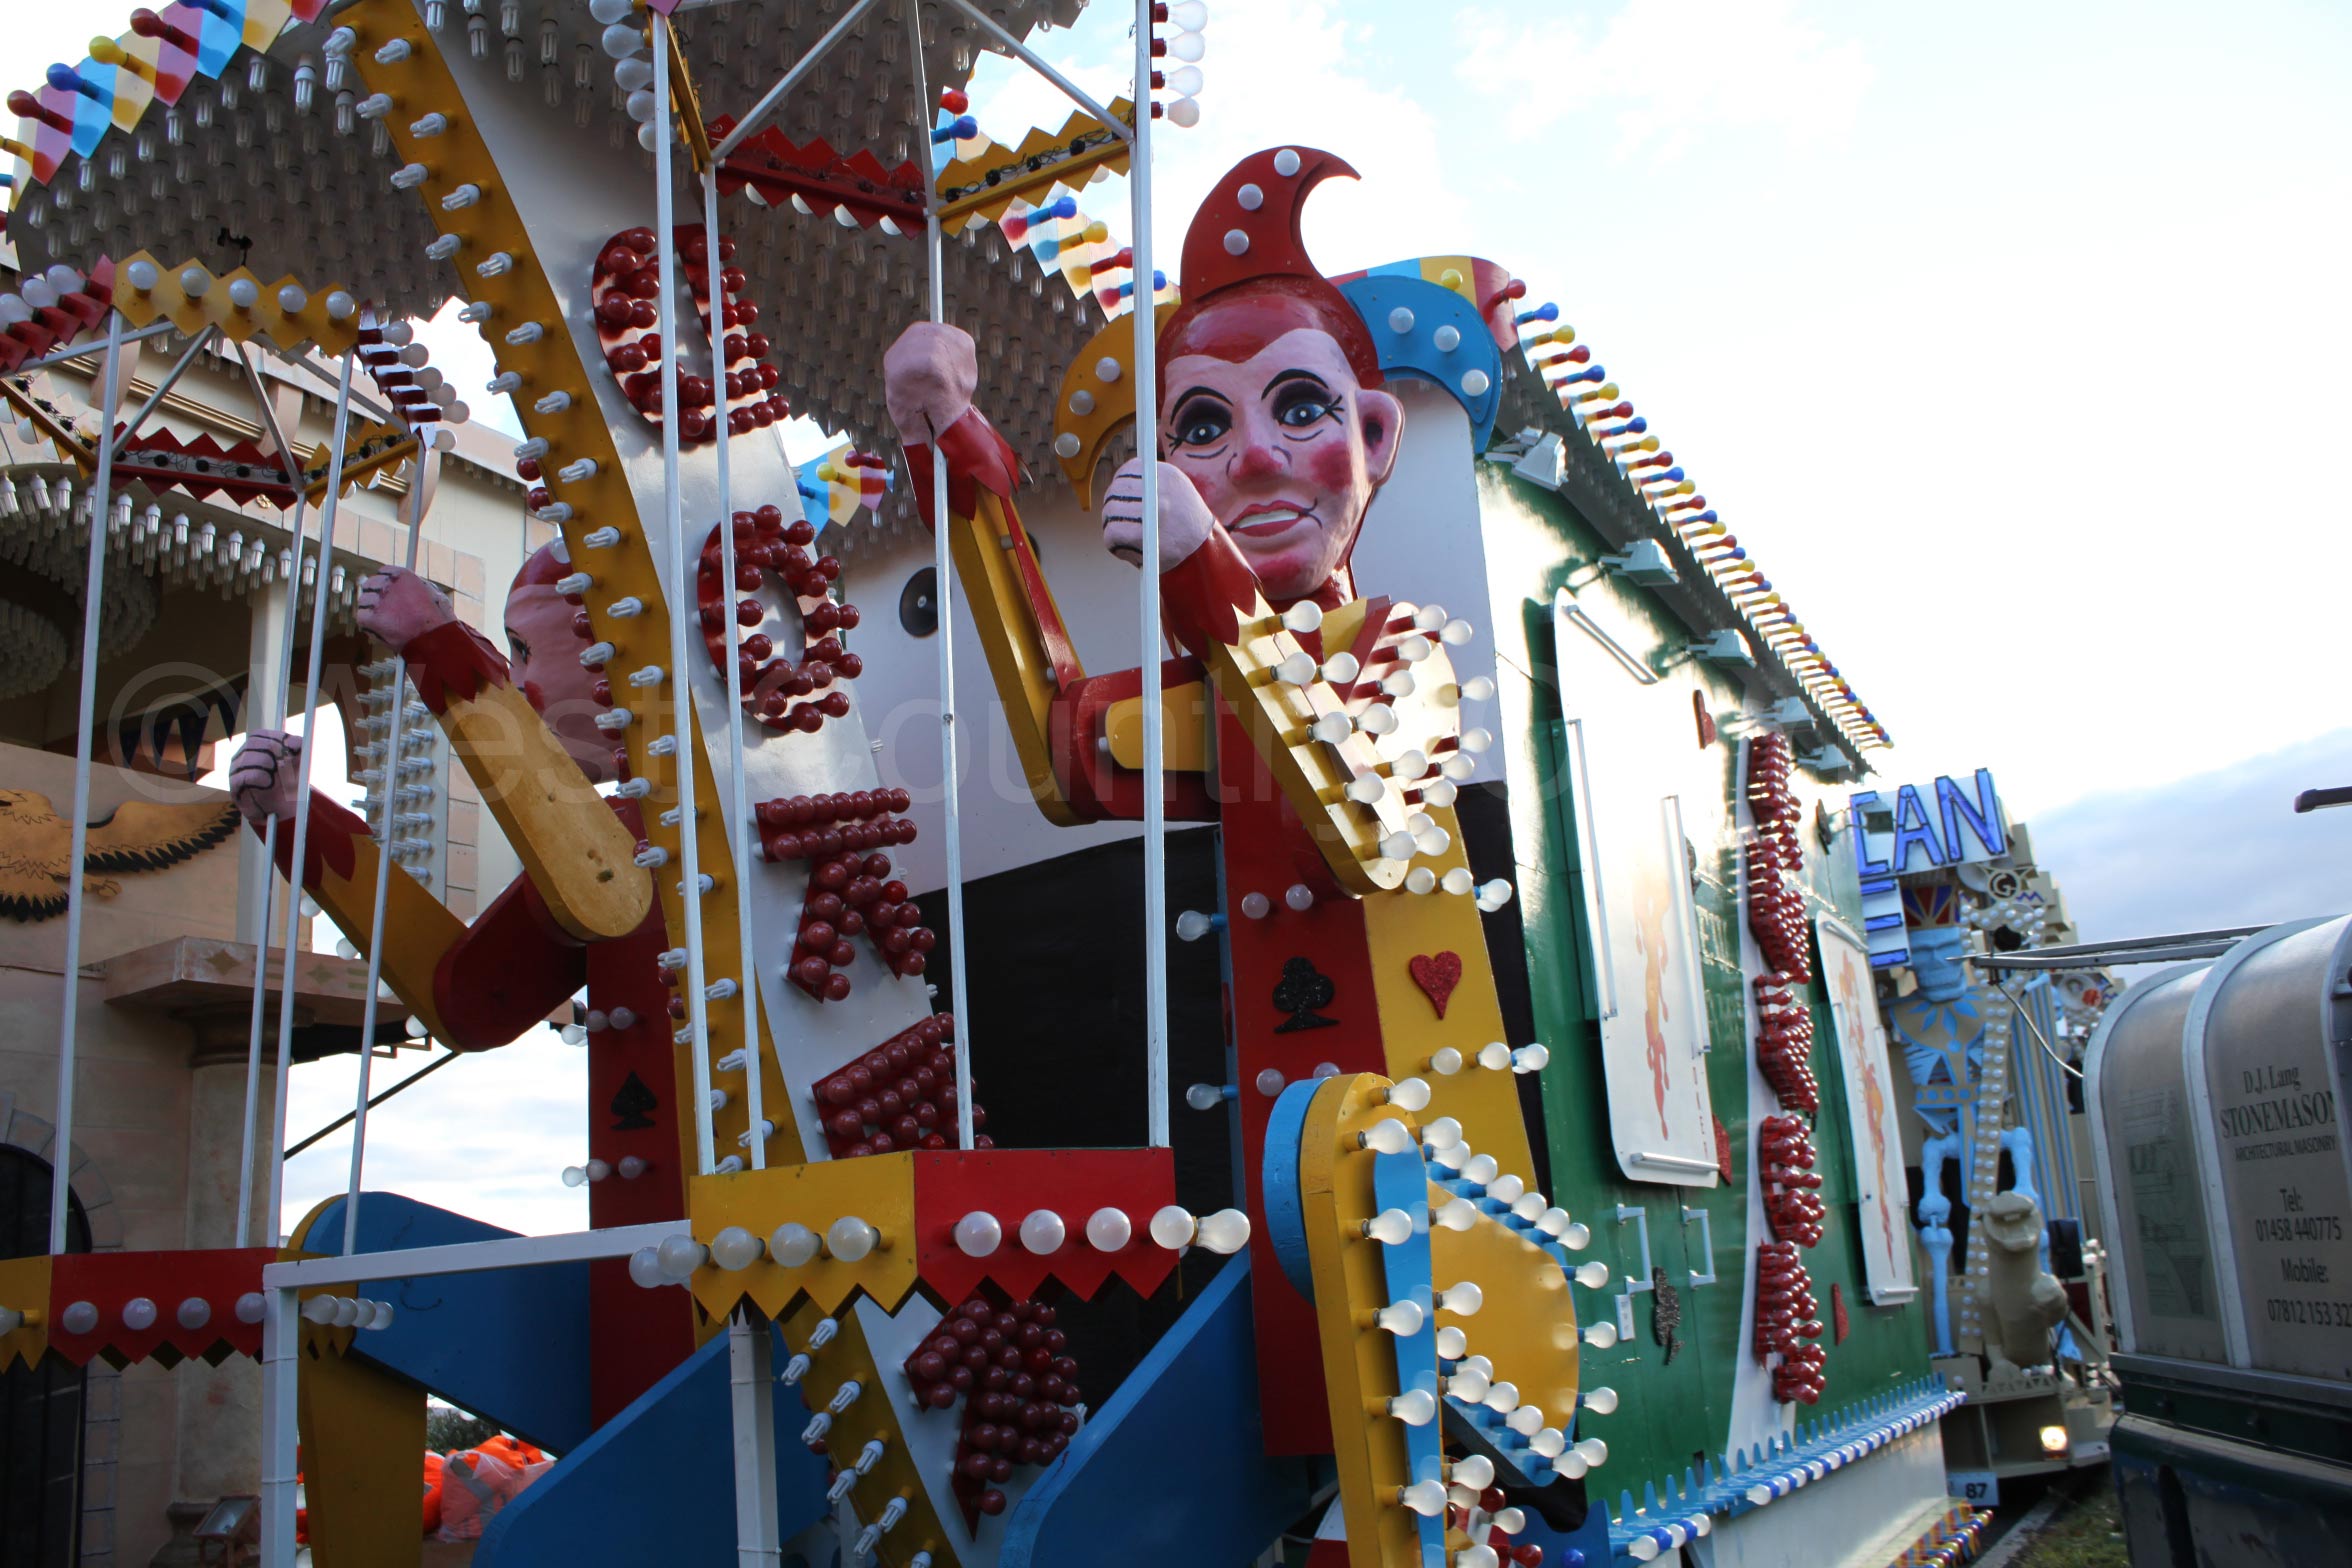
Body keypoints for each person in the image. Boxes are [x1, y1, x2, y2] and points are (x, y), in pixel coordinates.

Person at [228, 548, 689, 1423]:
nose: (526, 685)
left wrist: (442, 650)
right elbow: (467, 1003)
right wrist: (300, 823)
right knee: (343, 1261)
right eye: (509, 657)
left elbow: (600, 890)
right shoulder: (606, 844)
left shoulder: (673, 828)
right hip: (652, 1296)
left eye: (525, 652)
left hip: (769, 1272)